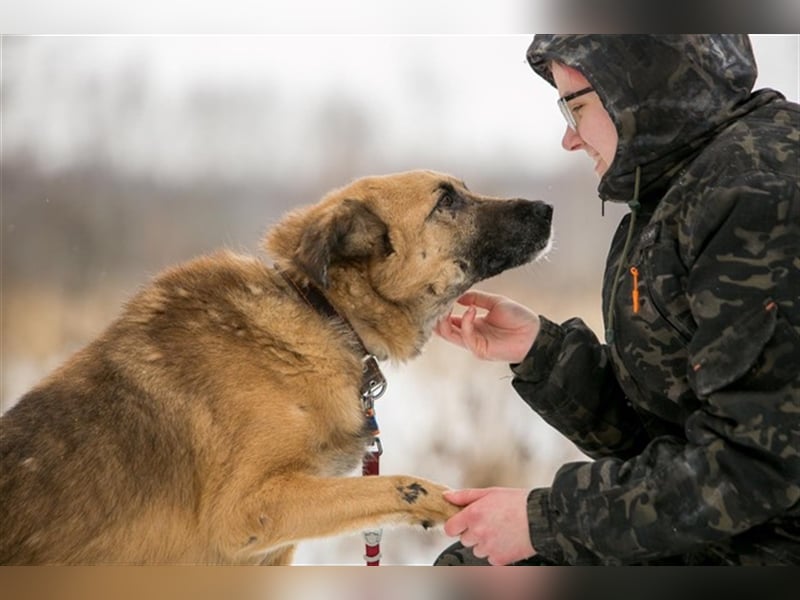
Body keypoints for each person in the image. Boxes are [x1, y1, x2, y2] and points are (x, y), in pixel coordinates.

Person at [434, 35, 799, 566]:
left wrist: (547, 521)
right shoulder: (677, 192)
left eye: (575, 107)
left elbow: (757, 467)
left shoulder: (760, 196)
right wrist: (543, 353)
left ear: (637, 87)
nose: (569, 138)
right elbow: (666, 434)